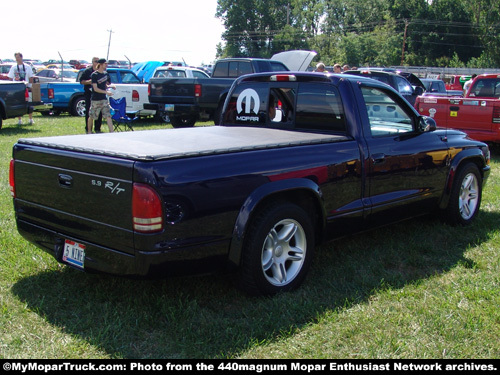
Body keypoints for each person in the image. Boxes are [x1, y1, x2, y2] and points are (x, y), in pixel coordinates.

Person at [87, 59, 115, 134]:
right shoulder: (94, 75)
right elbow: (95, 88)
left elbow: (104, 85)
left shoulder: (105, 74)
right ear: (101, 64)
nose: (106, 65)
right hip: (95, 99)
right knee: (92, 116)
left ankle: (111, 132)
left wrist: (110, 86)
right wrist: (106, 92)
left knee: (108, 115)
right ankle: (89, 131)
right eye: (105, 64)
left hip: (104, 99)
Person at [7, 52, 34, 125]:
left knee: (29, 103)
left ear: (21, 57)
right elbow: (10, 77)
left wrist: (30, 86)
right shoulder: (13, 67)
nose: (17, 59)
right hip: (17, 88)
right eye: (16, 57)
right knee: (18, 102)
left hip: (26, 87)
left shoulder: (27, 67)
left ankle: (30, 119)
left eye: (18, 57)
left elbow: (31, 77)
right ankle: (19, 120)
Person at [80, 57, 104, 133]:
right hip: (89, 94)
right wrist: (90, 82)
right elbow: (81, 81)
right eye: (96, 61)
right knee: (89, 112)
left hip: (99, 94)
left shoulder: (101, 72)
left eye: (98, 61)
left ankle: (97, 128)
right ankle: (88, 128)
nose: (97, 63)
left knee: (99, 112)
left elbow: (107, 81)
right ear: (92, 62)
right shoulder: (87, 71)